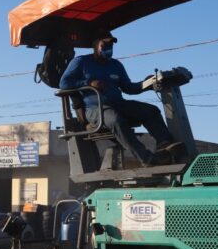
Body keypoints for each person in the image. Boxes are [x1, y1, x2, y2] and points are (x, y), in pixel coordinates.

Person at [58, 29, 182, 166]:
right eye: (104, 45)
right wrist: (89, 83)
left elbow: (128, 88)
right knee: (116, 119)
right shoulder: (81, 62)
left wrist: (148, 83)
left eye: (111, 46)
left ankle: (165, 146)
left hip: (119, 104)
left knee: (151, 111)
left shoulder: (116, 65)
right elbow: (64, 83)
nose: (108, 49)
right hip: (96, 109)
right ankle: (146, 158)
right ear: (95, 45)